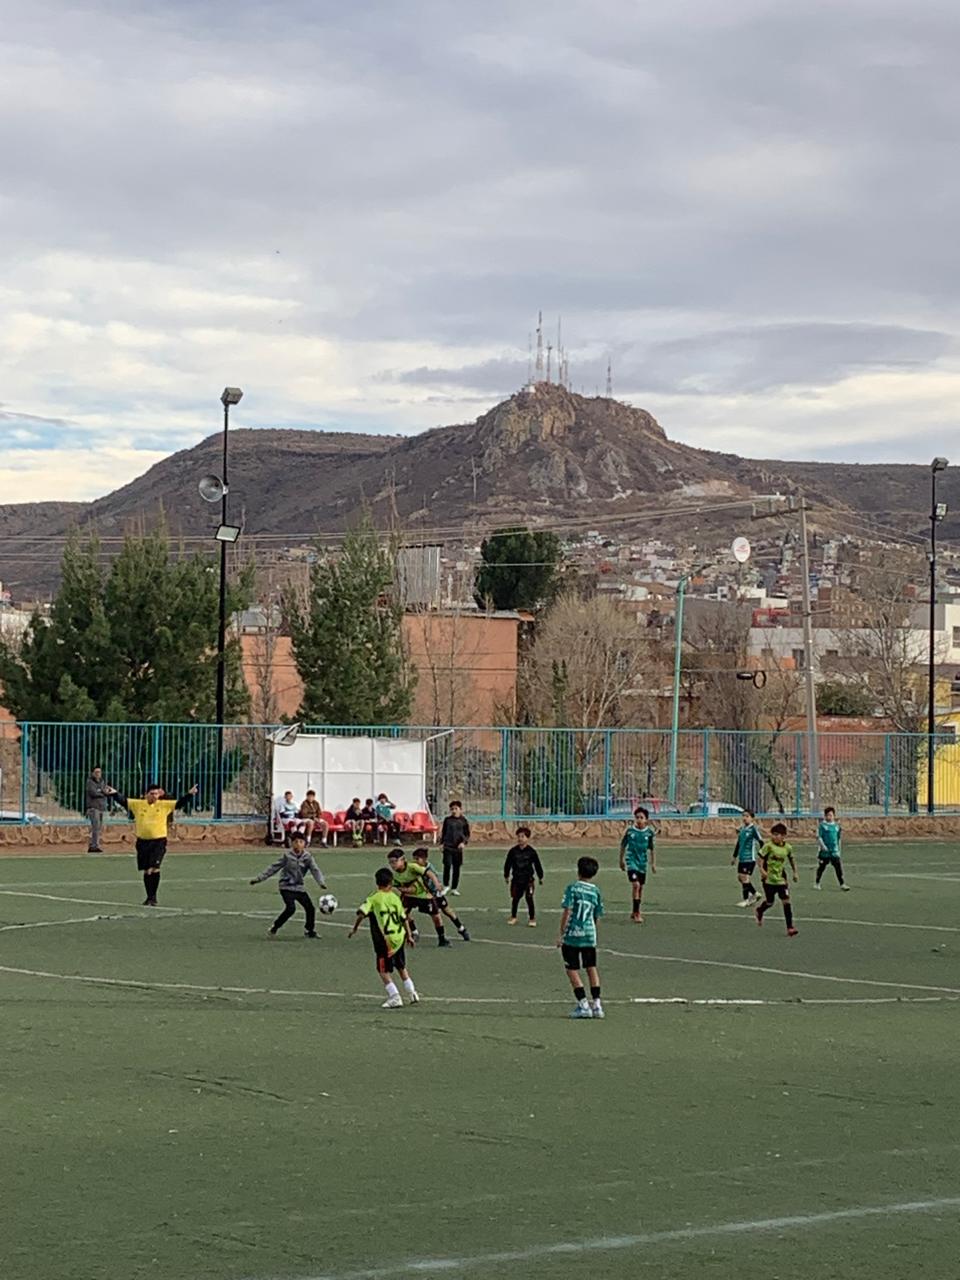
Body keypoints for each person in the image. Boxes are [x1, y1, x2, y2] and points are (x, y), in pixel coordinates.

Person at [111, 781, 199, 905]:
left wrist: (189, 794)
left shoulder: (164, 805)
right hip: (142, 842)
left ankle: (154, 897)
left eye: (156, 794)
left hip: (158, 841)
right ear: (146, 794)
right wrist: (114, 794)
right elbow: (124, 801)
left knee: (154, 868)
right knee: (147, 870)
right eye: (152, 794)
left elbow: (179, 804)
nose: (154, 796)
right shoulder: (138, 805)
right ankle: (149, 897)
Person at [348, 866, 419, 1009]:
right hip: (399, 937)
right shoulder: (395, 898)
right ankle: (412, 992)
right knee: (401, 966)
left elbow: (361, 913)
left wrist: (354, 928)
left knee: (383, 970)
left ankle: (395, 997)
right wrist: (409, 936)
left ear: (376, 882)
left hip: (385, 941)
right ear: (391, 883)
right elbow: (404, 918)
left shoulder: (373, 898)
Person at [250, 831, 327, 938]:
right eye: (296, 842)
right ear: (292, 843)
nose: (298, 844)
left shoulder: (307, 857)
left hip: (299, 887)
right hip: (286, 887)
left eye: (301, 842)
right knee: (291, 908)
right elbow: (274, 868)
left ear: (304, 844)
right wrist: (259, 879)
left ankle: (309, 930)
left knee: (310, 908)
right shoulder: (287, 856)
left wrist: (321, 882)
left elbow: (315, 870)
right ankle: (275, 927)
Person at [388, 847, 470, 946]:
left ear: (403, 860)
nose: (392, 865)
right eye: (390, 862)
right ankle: (414, 932)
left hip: (425, 895)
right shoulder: (395, 875)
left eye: (394, 861)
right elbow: (395, 885)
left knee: (439, 914)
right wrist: (405, 890)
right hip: (409, 896)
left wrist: (436, 884)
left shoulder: (413, 867)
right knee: (402, 913)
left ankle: (448, 935)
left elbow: (430, 874)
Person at [557, 855, 605, 1019]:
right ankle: (597, 1005)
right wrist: (593, 932)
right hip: (589, 935)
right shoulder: (595, 891)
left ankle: (583, 1004)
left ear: (578, 871)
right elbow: (597, 915)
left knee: (572, 969)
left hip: (573, 935)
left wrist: (561, 933)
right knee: (591, 967)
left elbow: (568, 910)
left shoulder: (572, 888)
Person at [755, 822, 799, 937]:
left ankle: (790, 927)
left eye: (777, 834)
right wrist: (762, 871)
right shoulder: (768, 846)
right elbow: (760, 859)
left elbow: (791, 859)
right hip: (769, 879)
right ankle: (760, 910)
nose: (774, 837)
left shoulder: (788, 848)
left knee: (786, 901)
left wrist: (795, 872)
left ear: (783, 836)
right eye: (773, 834)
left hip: (781, 879)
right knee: (770, 902)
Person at [619, 806, 656, 923]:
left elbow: (651, 848)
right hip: (632, 862)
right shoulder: (630, 832)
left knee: (640, 888)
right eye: (637, 817)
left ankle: (635, 910)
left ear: (646, 820)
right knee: (636, 885)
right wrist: (621, 860)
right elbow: (623, 845)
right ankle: (636, 914)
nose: (639, 819)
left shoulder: (649, 833)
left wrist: (653, 863)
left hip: (642, 863)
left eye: (641, 817)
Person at [503, 826, 544, 926]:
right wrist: (506, 875)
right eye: (519, 836)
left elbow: (537, 864)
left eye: (523, 836)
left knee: (529, 898)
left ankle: (532, 918)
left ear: (527, 838)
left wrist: (540, 876)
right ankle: (513, 917)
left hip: (528, 879)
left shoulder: (532, 852)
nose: (520, 839)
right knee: (515, 899)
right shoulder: (513, 851)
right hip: (517, 879)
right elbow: (508, 864)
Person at [731, 809, 763, 906]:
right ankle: (754, 894)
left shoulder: (753, 829)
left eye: (747, 816)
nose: (744, 818)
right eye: (743, 816)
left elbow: (761, 842)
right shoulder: (742, 829)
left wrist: (762, 855)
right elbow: (738, 843)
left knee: (744, 878)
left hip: (749, 858)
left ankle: (746, 900)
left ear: (752, 818)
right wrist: (734, 856)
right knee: (740, 878)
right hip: (742, 858)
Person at [440, 800, 470, 895]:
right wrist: (441, 844)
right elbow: (444, 833)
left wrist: (463, 843)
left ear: (460, 810)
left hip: (457, 848)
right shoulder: (447, 820)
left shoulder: (463, 821)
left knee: (456, 868)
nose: (454, 811)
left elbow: (467, 834)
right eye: (452, 809)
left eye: (456, 809)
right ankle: (446, 886)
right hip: (448, 847)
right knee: (447, 866)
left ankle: (454, 888)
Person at [815, 806, 849, 891]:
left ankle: (842, 884)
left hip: (834, 851)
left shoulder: (837, 826)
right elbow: (819, 837)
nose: (829, 817)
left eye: (831, 815)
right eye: (827, 815)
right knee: (822, 867)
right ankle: (817, 883)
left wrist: (839, 850)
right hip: (825, 852)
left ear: (834, 815)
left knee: (838, 868)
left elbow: (838, 839)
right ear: (825, 816)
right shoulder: (822, 826)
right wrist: (823, 846)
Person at [84, 765, 113, 853]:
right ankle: (94, 845)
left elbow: (104, 790)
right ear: (92, 773)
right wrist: (102, 792)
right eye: (96, 772)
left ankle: (94, 844)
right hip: (93, 808)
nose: (98, 774)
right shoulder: (90, 782)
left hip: (101, 807)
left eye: (99, 772)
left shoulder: (102, 781)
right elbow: (93, 792)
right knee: (95, 827)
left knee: (98, 827)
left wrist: (102, 791)